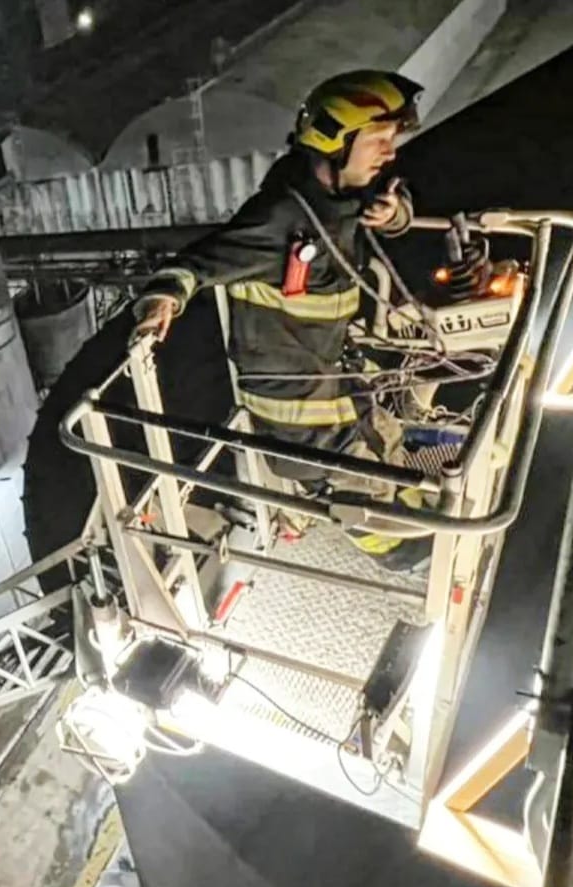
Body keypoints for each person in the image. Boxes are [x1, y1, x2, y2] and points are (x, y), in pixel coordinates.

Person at [133, 69, 430, 572]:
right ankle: (411, 558)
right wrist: (162, 300)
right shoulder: (279, 219)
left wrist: (394, 213)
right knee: (393, 520)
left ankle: (416, 533)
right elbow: (197, 263)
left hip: (333, 386)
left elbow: (390, 202)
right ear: (335, 141)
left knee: (393, 453)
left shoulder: (335, 196)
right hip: (301, 420)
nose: (389, 152)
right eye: (379, 140)